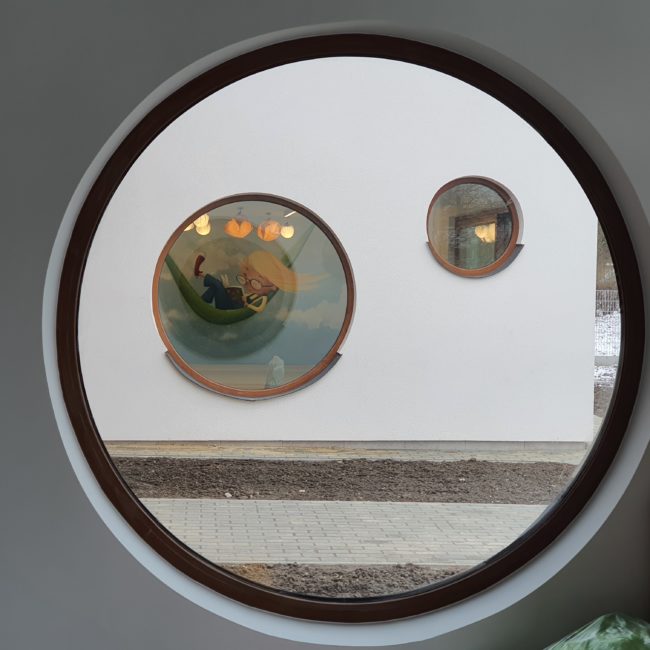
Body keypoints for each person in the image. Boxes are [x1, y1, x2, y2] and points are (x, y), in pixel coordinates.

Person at [195, 250, 321, 314]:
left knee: (217, 285)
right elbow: (238, 298)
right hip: (229, 304)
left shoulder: (262, 299)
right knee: (218, 285)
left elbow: (258, 308)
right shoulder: (249, 293)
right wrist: (228, 289)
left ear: (273, 286)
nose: (248, 285)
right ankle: (203, 300)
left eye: (255, 283)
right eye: (244, 279)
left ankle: (200, 273)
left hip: (229, 308)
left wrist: (246, 304)